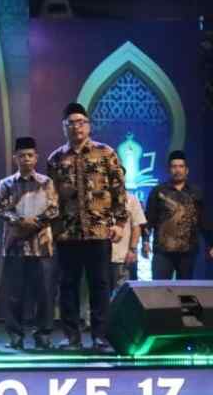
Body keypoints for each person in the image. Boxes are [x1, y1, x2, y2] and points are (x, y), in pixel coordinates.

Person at [47, 102, 126, 351]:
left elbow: (119, 189)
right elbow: (52, 198)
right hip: (67, 233)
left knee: (100, 285)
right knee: (68, 286)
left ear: (89, 126)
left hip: (99, 230)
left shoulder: (106, 153)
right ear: (64, 127)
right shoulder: (56, 158)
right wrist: (52, 229)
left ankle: (100, 336)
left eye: (81, 122)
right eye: (71, 123)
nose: (76, 127)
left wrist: (120, 223)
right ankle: (71, 337)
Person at [0, 137, 59, 350]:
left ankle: (43, 336)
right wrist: (20, 221)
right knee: (14, 295)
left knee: (44, 294)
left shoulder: (46, 182)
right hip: (14, 246)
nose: (26, 159)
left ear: (36, 157)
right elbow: (1, 209)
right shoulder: (6, 183)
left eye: (30, 155)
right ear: (15, 158)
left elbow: (53, 209)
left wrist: (35, 222)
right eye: (22, 155)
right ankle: (15, 336)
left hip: (42, 246)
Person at [143, 150, 213, 279]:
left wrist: (211, 244)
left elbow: (204, 221)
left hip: (188, 251)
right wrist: (145, 241)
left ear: (187, 170)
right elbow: (149, 218)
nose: (177, 170)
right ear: (169, 170)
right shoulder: (158, 191)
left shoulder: (195, 193)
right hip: (163, 251)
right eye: (174, 167)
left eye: (181, 166)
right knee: (159, 287)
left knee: (185, 289)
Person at [109, 167, 146, 292]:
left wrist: (132, 250)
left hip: (123, 257)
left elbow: (136, 226)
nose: (115, 179)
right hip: (102, 257)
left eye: (119, 176)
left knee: (122, 294)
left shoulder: (132, 199)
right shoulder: (99, 199)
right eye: (113, 176)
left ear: (124, 178)